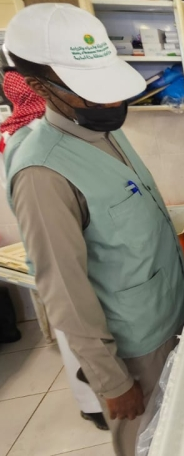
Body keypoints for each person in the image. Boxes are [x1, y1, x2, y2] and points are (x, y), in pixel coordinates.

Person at [4, 4, 184, 455]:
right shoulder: (42, 173)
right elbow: (63, 290)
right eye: (93, 93)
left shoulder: (102, 128)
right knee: (148, 441)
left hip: (171, 312)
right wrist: (111, 379)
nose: (112, 103)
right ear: (39, 87)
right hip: (135, 344)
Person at [0, 48, 108, 431]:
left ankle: (95, 399)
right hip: (59, 258)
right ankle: (93, 405)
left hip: (62, 253)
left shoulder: (70, 134)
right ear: (37, 90)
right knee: (75, 332)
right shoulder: (32, 151)